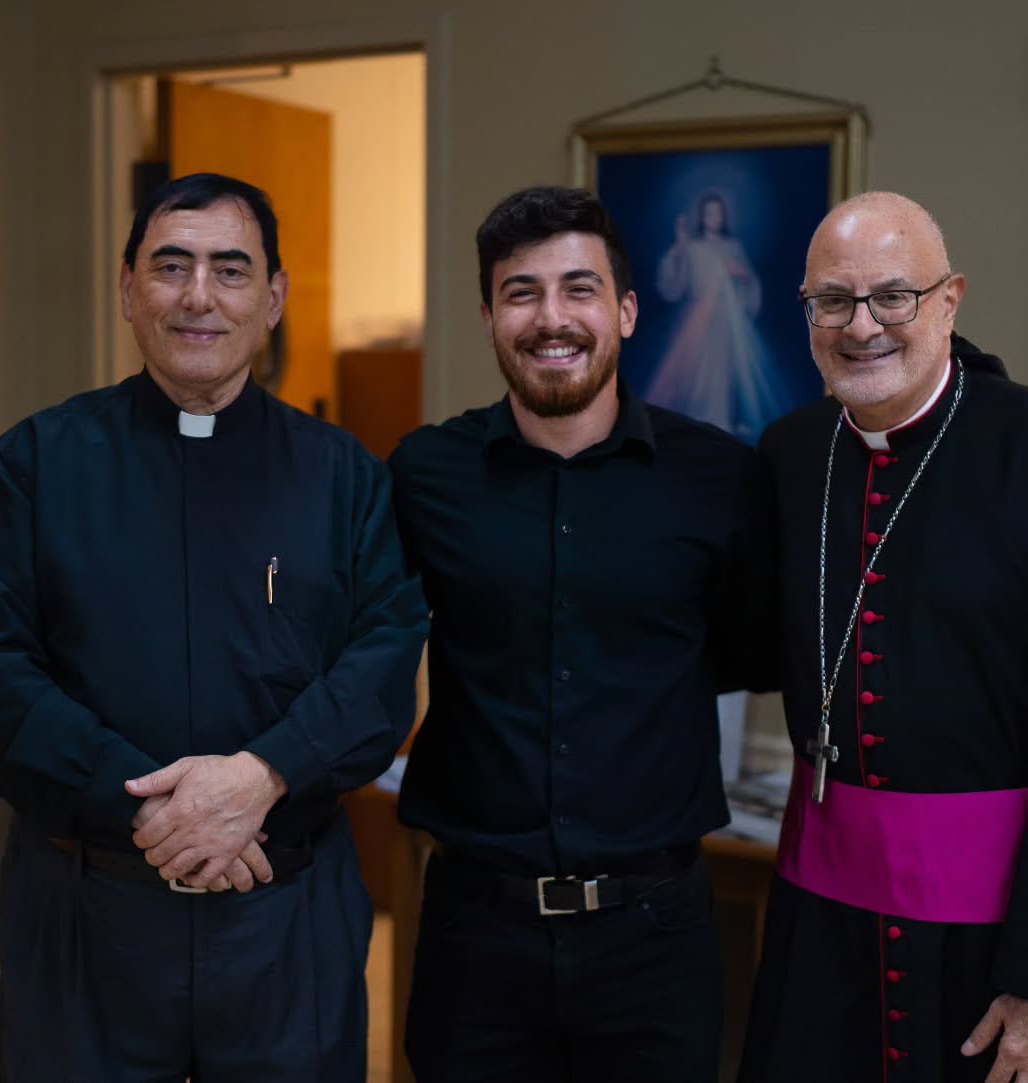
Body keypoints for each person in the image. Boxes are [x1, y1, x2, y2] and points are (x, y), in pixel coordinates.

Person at [0, 173, 428, 1081]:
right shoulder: (31, 467)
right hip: (87, 918)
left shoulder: (345, 478)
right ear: (128, 288)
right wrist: (164, 813)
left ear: (273, 297)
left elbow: (380, 667)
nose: (199, 296)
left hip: (284, 920)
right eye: (171, 267)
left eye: (230, 269)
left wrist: (260, 775)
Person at [739, 191, 1028, 1083]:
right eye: (832, 301)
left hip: (1008, 928)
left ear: (950, 299)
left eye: (893, 295)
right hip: (825, 919)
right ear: (806, 311)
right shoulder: (791, 451)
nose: (862, 327)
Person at [389, 185, 771, 1081]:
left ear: (627, 311)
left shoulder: (717, 476)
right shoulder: (425, 473)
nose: (551, 318)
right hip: (474, 935)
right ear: (488, 315)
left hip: (656, 938)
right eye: (521, 292)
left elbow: (746, 649)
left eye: (579, 288)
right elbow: (362, 640)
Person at [645, 191, 792, 444]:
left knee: (722, 376)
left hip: (726, 323)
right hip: (695, 322)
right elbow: (674, 286)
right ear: (702, 216)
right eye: (709, 213)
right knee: (694, 375)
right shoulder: (691, 247)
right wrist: (679, 245)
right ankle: (692, 428)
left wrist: (742, 274)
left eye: (718, 213)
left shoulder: (732, 247)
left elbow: (750, 285)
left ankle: (720, 427)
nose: (713, 218)